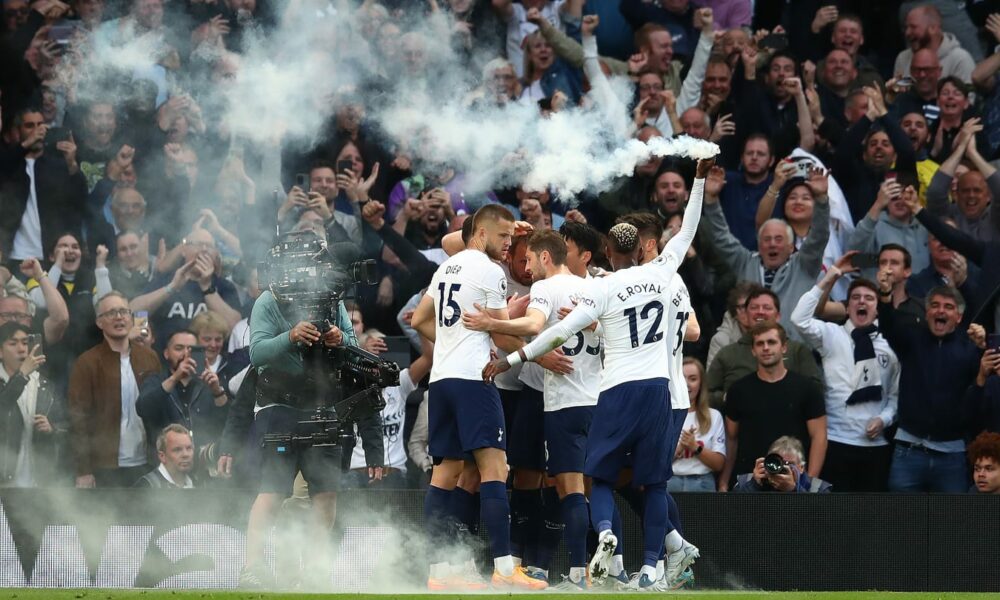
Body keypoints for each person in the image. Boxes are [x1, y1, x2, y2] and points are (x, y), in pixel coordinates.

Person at [482, 157, 712, 591]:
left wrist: (510, 360)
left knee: (600, 478)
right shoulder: (665, 273)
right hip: (660, 391)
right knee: (654, 484)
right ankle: (649, 570)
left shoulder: (601, 288)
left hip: (615, 391)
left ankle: (605, 533)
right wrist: (699, 178)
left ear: (608, 252)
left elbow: (554, 335)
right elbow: (688, 229)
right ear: (644, 248)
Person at [410, 204, 545, 591]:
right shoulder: (490, 271)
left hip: (442, 380)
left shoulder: (446, 267)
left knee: (446, 473)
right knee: (495, 469)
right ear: (482, 235)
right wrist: (533, 343)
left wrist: (457, 339)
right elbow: (502, 337)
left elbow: (419, 321)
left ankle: (438, 572)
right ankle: (505, 569)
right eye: (504, 237)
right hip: (473, 380)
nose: (509, 245)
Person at [235, 231, 380, 589]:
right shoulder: (268, 301)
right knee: (272, 491)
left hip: (323, 404)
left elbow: (350, 344)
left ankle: (316, 572)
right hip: (278, 406)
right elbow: (256, 354)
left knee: (325, 492)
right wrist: (291, 336)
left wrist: (339, 341)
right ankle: (252, 569)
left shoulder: (333, 301)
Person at [462, 230, 600, 590]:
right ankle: (582, 566)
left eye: (528, 259)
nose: (524, 266)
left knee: (567, 487)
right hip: (593, 399)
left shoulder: (544, 289)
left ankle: (571, 571)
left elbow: (537, 327)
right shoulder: (597, 288)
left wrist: (494, 325)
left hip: (560, 403)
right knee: (576, 484)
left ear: (543, 257)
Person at [791, 254, 900, 492]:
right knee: (837, 518)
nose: (862, 302)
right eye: (856, 298)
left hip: (877, 446)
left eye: (869, 298)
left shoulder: (891, 342)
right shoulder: (832, 335)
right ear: (847, 306)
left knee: (871, 518)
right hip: (837, 442)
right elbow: (799, 318)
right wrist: (830, 276)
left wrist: (884, 419)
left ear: (877, 307)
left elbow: (896, 396)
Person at [702, 164, 830, 340]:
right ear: (759, 245)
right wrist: (711, 198)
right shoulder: (745, 262)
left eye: (779, 240)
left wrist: (821, 200)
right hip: (751, 350)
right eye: (767, 240)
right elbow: (720, 236)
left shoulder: (803, 265)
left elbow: (819, 237)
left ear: (791, 247)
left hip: (795, 352)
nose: (772, 245)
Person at [877, 284, 981, 492]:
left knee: (949, 523)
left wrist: (983, 345)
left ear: (959, 317)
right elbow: (888, 325)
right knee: (901, 522)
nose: (941, 311)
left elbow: (979, 393)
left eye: (948, 307)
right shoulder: (911, 339)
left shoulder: (970, 349)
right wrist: (885, 296)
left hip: (952, 455)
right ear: (927, 313)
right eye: (935, 305)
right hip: (908, 451)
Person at [719, 321, 828, 492]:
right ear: (753, 350)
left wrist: (807, 485)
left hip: (793, 482)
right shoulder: (738, 390)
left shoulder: (807, 389)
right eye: (760, 343)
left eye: (771, 342)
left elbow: (819, 437)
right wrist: (724, 481)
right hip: (752, 482)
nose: (766, 348)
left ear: (784, 347)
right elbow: (731, 439)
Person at [68, 291, 161, 488]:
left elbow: (159, 410)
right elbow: (78, 420)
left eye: (123, 312)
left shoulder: (149, 357)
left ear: (131, 317)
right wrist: (83, 470)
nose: (119, 317)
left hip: (146, 461)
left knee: (143, 519)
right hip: (104, 464)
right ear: (99, 322)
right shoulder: (87, 362)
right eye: (110, 313)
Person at [706, 287, 822, 408]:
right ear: (745, 314)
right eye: (754, 307)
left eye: (767, 308)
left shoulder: (797, 350)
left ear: (778, 316)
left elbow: (816, 390)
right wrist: (730, 397)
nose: (760, 312)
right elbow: (705, 394)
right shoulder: (728, 354)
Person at [136, 329, 229, 457]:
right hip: (164, 462)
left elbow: (227, 423)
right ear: (166, 353)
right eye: (179, 348)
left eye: (191, 349)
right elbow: (143, 409)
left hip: (201, 463)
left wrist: (217, 392)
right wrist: (175, 378)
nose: (186, 354)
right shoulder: (155, 380)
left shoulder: (210, 381)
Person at [0, 321, 65, 487]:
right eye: (13, 343)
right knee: (5, 515)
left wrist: (52, 428)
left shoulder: (45, 385)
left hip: (38, 481)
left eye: (25, 342)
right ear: (0, 351)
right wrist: (21, 375)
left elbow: (67, 425)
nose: (22, 349)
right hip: (5, 482)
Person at [669, 358, 725, 492]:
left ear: (701, 384)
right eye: (682, 378)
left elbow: (719, 464)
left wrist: (695, 447)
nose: (686, 384)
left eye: (693, 379)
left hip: (703, 482)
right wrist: (679, 449)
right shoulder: (665, 416)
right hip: (670, 481)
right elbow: (654, 464)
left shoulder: (714, 416)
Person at [733, 436, 832, 493]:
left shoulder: (819, 489)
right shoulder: (744, 482)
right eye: (778, 463)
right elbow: (733, 516)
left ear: (801, 467)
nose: (782, 468)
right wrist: (754, 485)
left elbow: (819, 523)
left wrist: (793, 490)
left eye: (789, 464)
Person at [134, 424, 195, 488]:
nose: (185, 454)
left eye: (189, 448)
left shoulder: (198, 482)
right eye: (177, 450)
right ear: (162, 456)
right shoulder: (145, 486)